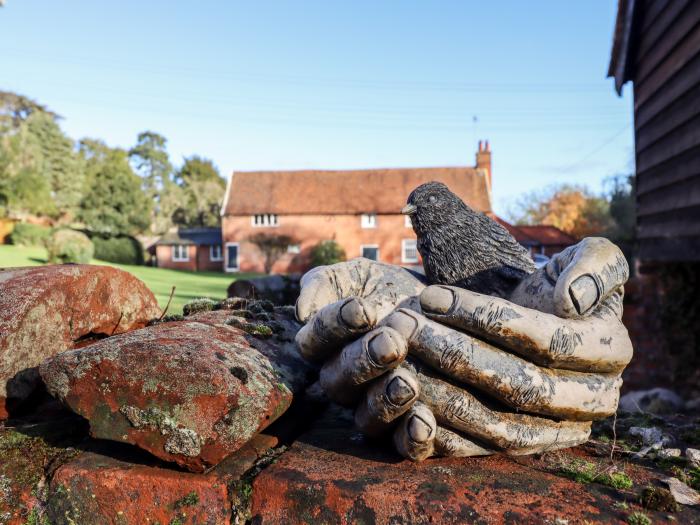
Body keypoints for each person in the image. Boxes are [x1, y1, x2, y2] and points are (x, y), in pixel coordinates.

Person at [294, 237, 633, 460]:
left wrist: (537, 298)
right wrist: (380, 288)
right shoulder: (401, 295)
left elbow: (508, 294)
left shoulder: (547, 281)